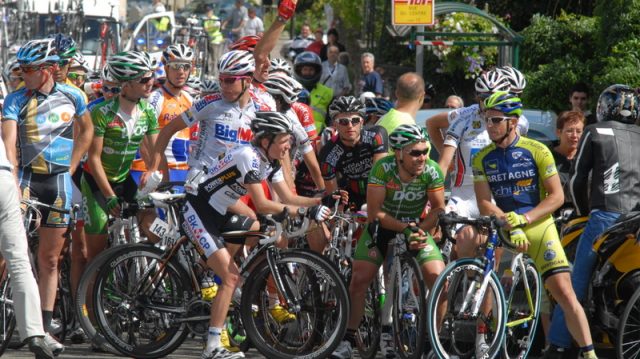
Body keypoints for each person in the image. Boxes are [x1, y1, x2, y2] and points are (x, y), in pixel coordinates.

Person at [472, 91, 598, 359]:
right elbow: (485, 203)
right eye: (487, 119)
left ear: (513, 122)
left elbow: (557, 197)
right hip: (507, 229)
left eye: (496, 120)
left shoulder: (537, 150)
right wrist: (509, 223)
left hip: (540, 227)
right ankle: (487, 340)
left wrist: (526, 219)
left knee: (565, 294)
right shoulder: (481, 157)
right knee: (492, 284)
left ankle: (590, 355)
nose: (489, 125)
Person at [1, 38, 93, 354]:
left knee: (50, 259)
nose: (23, 74)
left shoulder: (74, 95)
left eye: (29, 69)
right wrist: (12, 178)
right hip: (25, 178)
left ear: (49, 69)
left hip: (57, 182)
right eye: (21, 69)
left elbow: (87, 131)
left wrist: (71, 167)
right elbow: (9, 144)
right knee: (8, 253)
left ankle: (43, 328)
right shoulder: (15, 99)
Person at [331, 124, 446, 359]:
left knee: (439, 278)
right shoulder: (382, 169)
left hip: (417, 227)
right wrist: (405, 228)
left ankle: (435, 341)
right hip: (383, 228)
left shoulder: (431, 171)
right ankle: (348, 339)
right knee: (359, 279)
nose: (422, 157)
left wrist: (420, 231)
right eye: (415, 152)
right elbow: (374, 213)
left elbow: (438, 208)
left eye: (425, 151)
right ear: (399, 153)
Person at [547, 84, 640, 358]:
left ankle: (559, 344)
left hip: (605, 216)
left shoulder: (595, 131)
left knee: (575, 280)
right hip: (635, 219)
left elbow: (576, 180)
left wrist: (583, 211)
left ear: (602, 107)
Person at [130, 44, 194, 185]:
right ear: (166, 68)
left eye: (186, 66)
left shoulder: (189, 99)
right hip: (159, 170)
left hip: (184, 170)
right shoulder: (155, 99)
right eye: (176, 66)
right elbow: (143, 140)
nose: (181, 72)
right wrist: (155, 171)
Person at [319, 96, 388, 210]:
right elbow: (334, 197)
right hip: (350, 194)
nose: (350, 126)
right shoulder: (327, 153)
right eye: (343, 121)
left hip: (379, 189)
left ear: (362, 122)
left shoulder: (377, 135)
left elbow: (379, 177)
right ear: (335, 125)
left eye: (355, 120)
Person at [294, 51, 333, 132]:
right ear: (299, 71)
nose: (308, 72)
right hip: (296, 134)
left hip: (320, 135)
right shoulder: (291, 90)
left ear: (317, 71)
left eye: (311, 69)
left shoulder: (327, 92)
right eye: (305, 69)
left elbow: (332, 118)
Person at [551, 111, 585, 186]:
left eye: (579, 131)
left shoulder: (586, 158)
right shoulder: (548, 158)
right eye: (569, 131)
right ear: (558, 132)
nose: (574, 135)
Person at [203, 5, 224, 77]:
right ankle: (209, 73)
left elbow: (217, 25)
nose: (208, 13)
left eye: (209, 11)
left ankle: (214, 73)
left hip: (216, 40)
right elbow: (205, 28)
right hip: (209, 40)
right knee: (208, 57)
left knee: (215, 58)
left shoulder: (215, 19)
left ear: (212, 12)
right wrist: (210, 27)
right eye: (207, 12)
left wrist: (209, 27)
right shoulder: (206, 20)